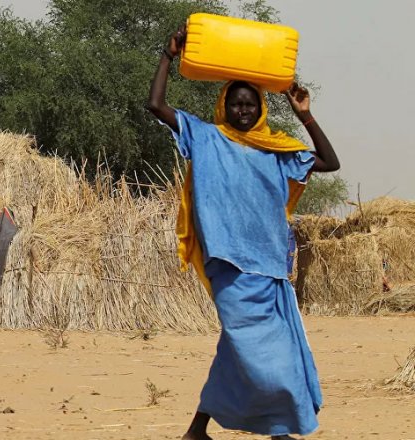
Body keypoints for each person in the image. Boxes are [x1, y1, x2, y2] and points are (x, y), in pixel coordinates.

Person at [147, 26, 340, 440]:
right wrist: (168, 54)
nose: (243, 111)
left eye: (250, 104)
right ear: (224, 106)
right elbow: (156, 104)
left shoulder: (278, 151)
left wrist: (305, 112)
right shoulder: (205, 137)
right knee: (259, 354)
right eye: (235, 104)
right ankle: (279, 429)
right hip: (229, 264)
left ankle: (205, 429)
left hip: (269, 267)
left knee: (245, 349)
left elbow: (329, 161)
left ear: (261, 109)